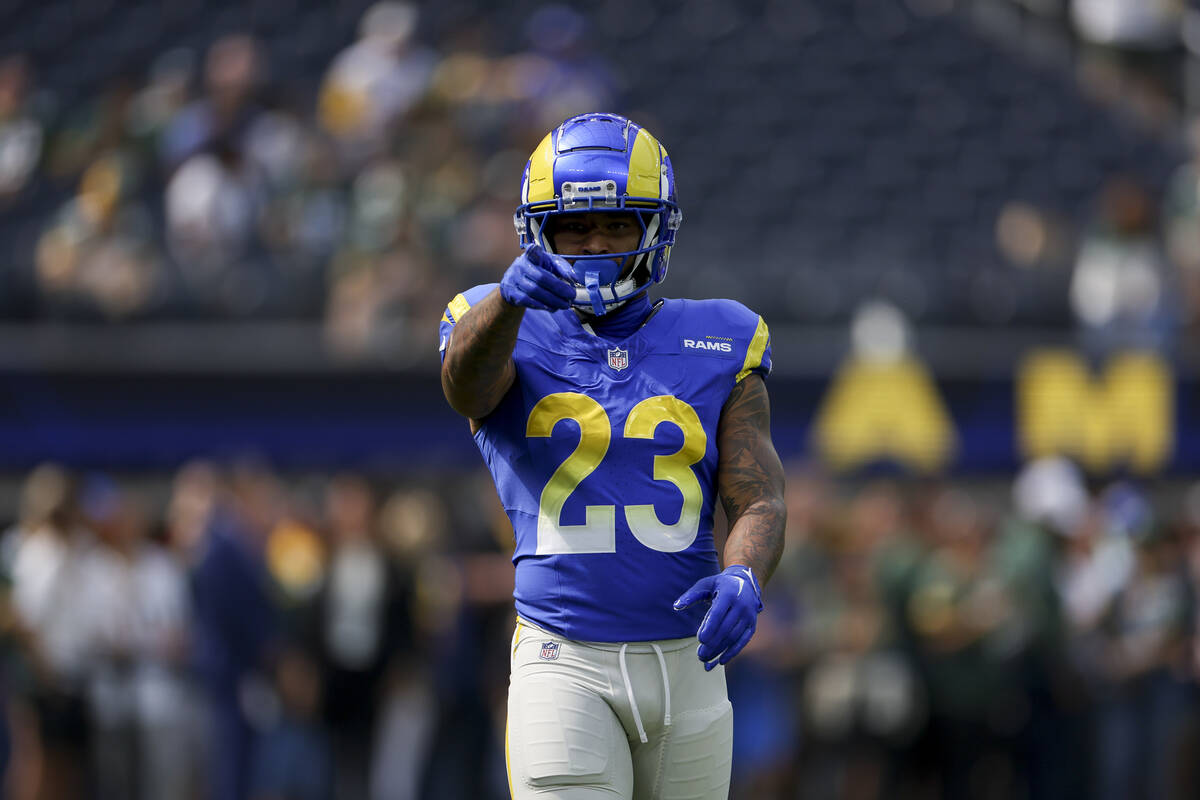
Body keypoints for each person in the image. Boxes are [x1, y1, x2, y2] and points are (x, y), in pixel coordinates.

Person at [438, 111, 786, 799]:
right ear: (540, 232)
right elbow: (465, 386)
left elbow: (758, 494)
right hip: (563, 657)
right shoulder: (495, 324)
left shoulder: (722, 335)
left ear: (654, 229)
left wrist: (745, 574)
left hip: (690, 661)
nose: (595, 244)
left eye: (617, 225)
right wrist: (508, 301)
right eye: (575, 227)